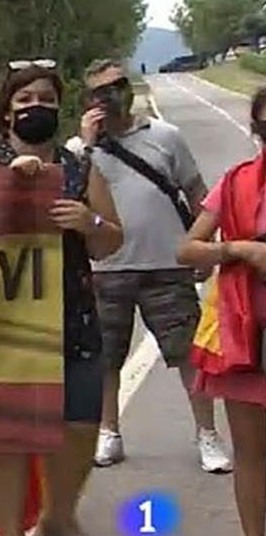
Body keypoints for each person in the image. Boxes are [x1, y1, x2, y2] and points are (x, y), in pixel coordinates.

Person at [0, 60, 123, 536]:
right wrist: (1, 188)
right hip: (1, 320)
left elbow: (112, 239)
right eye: (24, 99)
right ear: (6, 108)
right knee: (4, 432)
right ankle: (9, 535)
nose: (35, 107)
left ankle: (58, 517)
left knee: (78, 423)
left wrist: (87, 220)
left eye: (45, 99)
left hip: (71, 311)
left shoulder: (78, 166)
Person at [65, 58, 232, 473]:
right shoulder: (79, 150)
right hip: (106, 269)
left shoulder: (166, 137)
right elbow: (70, 195)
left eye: (119, 85)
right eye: (102, 91)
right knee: (105, 357)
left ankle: (206, 435)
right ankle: (109, 432)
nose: (113, 95)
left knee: (189, 355)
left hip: (167, 264)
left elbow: (198, 194)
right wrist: (87, 145)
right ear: (90, 101)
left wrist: (204, 247)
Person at [176, 86, 266, 536]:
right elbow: (187, 247)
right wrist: (238, 249)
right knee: (252, 455)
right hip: (246, 335)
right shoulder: (235, 183)